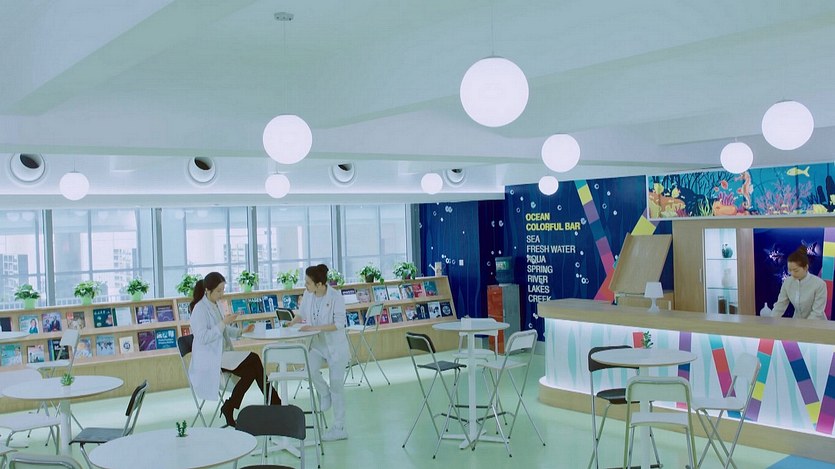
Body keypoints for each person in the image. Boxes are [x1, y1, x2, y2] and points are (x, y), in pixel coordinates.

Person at [188, 272, 280, 427]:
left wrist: (241, 331)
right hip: (210, 357)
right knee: (254, 358)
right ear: (207, 290)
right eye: (218, 291)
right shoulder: (199, 310)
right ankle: (275, 403)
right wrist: (224, 322)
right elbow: (203, 337)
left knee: (250, 371)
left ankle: (230, 406)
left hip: (222, 354)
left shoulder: (214, 304)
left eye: (223, 290)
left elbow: (223, 329)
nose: (221, 294)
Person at [288, 264, 350, 441]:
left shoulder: (336, 297)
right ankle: (324, 393)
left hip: (335, 347)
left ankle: (339, 427)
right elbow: (301, 314)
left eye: (308, 282)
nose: (305, 285)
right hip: (316, 344)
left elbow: (338, 324)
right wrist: (292, 322)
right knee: (310, 369)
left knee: (336, 385)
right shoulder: (308, 294)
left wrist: (314, 328)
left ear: (320, 284)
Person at [762, 246, 827, 320]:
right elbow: (780, 305)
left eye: (796, 270)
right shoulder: (788, 282)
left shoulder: (819, 284)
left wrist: (804, 326)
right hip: (797, 321)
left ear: (806, 267)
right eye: (790, 270)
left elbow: (817, 313)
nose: (792, 274)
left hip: (817, 323)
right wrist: (771, 321)